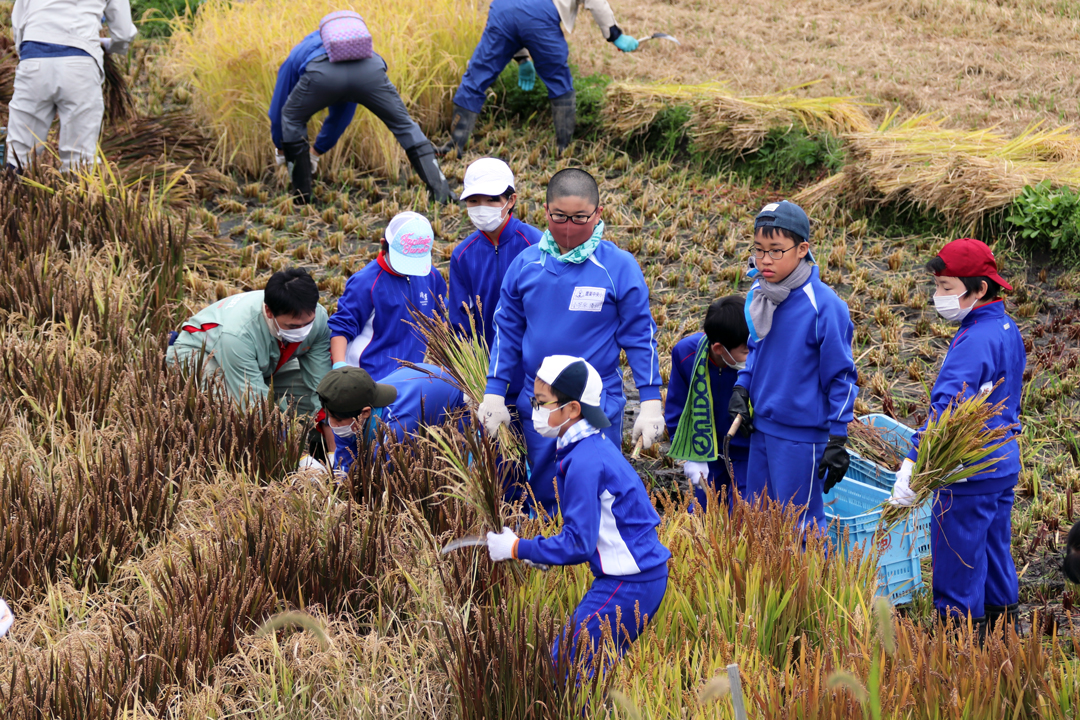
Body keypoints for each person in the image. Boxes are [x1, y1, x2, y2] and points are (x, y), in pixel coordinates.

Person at [477, 168, 664, 515]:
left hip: (595, 398)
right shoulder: (526, 265)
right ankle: (548, 551)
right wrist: (494, 390)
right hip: (540, 399)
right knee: (545, 484)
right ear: (545, 212)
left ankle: (591, 557)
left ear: (598, 214)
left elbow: (641, 337)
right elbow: (507, 330)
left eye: (579, 218)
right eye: (559, 216)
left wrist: (651, 401)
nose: (567, 226)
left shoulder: (618, 267)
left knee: (592, 487)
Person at [486, 355, 669, 672]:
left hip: (630, 584)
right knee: (589, 669)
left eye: (541, 402)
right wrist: (539, 554)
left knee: (565, 666)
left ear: (572, 409)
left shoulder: (586, 461)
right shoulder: (583, 446)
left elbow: (578, 543)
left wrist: (518, 548)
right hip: (634, 578)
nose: (534, 410)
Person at [889, 238, 1024, 632]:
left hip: (968, 469)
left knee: (957, 558)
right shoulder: (1004, 326)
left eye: (947, 288)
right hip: (1001, 459)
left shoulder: (975, 340)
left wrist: (914, 463)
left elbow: (946, 409)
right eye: (937, 287)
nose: (938, 297)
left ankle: (959, 649)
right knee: (995, 552)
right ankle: (1004, 636)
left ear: (980, 288)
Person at [728, 200, 858, 533]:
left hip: (801, 439)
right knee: (759, 521)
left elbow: (841, 378)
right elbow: (757, 346)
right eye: (758, 250)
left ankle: (813, 586)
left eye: (775, 250)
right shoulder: (762, 294)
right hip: (763, 428)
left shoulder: (825, 306)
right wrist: (743, 385)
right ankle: (769, 585)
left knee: (800, 527)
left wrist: (837, 439)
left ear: (802, 249)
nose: (765, 260)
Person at [268, 18, 453, 204]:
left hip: (321, 76)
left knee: (292, 117)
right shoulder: (354, 48)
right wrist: (317, 150)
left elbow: (280, 113)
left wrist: (282, 148)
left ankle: (302, 197)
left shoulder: (298, 52)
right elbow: (342, 116)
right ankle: (442, 192)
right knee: (404, 125)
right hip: (370, 71)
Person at [442, 0, 639, 156]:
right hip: (540, 13)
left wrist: (522, 58)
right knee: (559, 80)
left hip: (501, 8)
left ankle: (454, 146)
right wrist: (615, 35)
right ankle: (564, 147)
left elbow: (515, 11)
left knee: (475, 78)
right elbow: (596, 3)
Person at [167, 268, 332, 416]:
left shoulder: (319, 318)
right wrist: (282, 440)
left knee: (312, 409)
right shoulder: (237, 334)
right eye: (293, 326)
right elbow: (254, 404)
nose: (303, 331)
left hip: (266, 364)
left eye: (308, 323)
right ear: (269, 311)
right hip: (204, 355)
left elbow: (321, 383)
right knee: (234, 412)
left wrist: (328, 420)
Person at [449, 157, 542, 402]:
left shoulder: (537, 245)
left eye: (491, 200)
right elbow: (461, 325)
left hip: (537, 379)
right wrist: (469, 374)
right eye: (473, 201)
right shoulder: (462, 255)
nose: (482, 207)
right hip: (488, 381)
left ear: (511, 200)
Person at [6, 0, 137, 171]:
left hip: (34, 60)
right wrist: (111, 46)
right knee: (79, 159)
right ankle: (73, 192)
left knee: (19, 153)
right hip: (80, 66)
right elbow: (124, 33)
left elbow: (18, 23)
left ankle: (11, 191)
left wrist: (28, 56)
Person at [328, 211, 448, 381]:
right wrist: (340, 368)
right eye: (404, 260)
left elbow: (440, 318)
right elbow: (342, 328)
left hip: (411, 377)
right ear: (384, 245)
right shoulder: (366, 282)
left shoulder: (431, 276)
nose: (409, 268)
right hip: (369, 378)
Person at [666, 295, 750, 511]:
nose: (752, 356)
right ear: (720, 349)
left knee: (744, 513)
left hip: (745, 452)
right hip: (706, 451)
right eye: (745, 351)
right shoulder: (686, 354)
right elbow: (678, 408)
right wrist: (691, 457)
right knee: (705, 513)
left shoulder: (758, 357)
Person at [316, 364, 466, 474]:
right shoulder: (346, 407)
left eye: (338, 421)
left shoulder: (399, 423)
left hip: (454, 403)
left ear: (365, 412)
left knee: (447, 467)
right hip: (412, 379)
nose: (333, 425)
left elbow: (386, 472)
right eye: (330, 416)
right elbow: (345, 463)